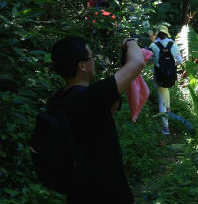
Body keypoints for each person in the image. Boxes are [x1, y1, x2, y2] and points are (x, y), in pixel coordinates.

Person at [50, 36, 145, 204]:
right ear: (82, 65)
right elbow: (138, 62)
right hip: (105, 193)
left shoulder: (59, 99)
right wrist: (130, 41)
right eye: (91, 57)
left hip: (78, 192)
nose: (94, 61)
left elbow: (111, 106)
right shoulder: (91, 97)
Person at [149, 25, 182, 135]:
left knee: (161, 100)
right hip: (170, 76)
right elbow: (180, 61)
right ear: (167, 34)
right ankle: (168, 113)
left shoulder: (153, 45)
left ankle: (165, 128)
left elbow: (149, 60)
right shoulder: (174, 44)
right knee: (166, 93)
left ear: (157, 34)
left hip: (159, 77)